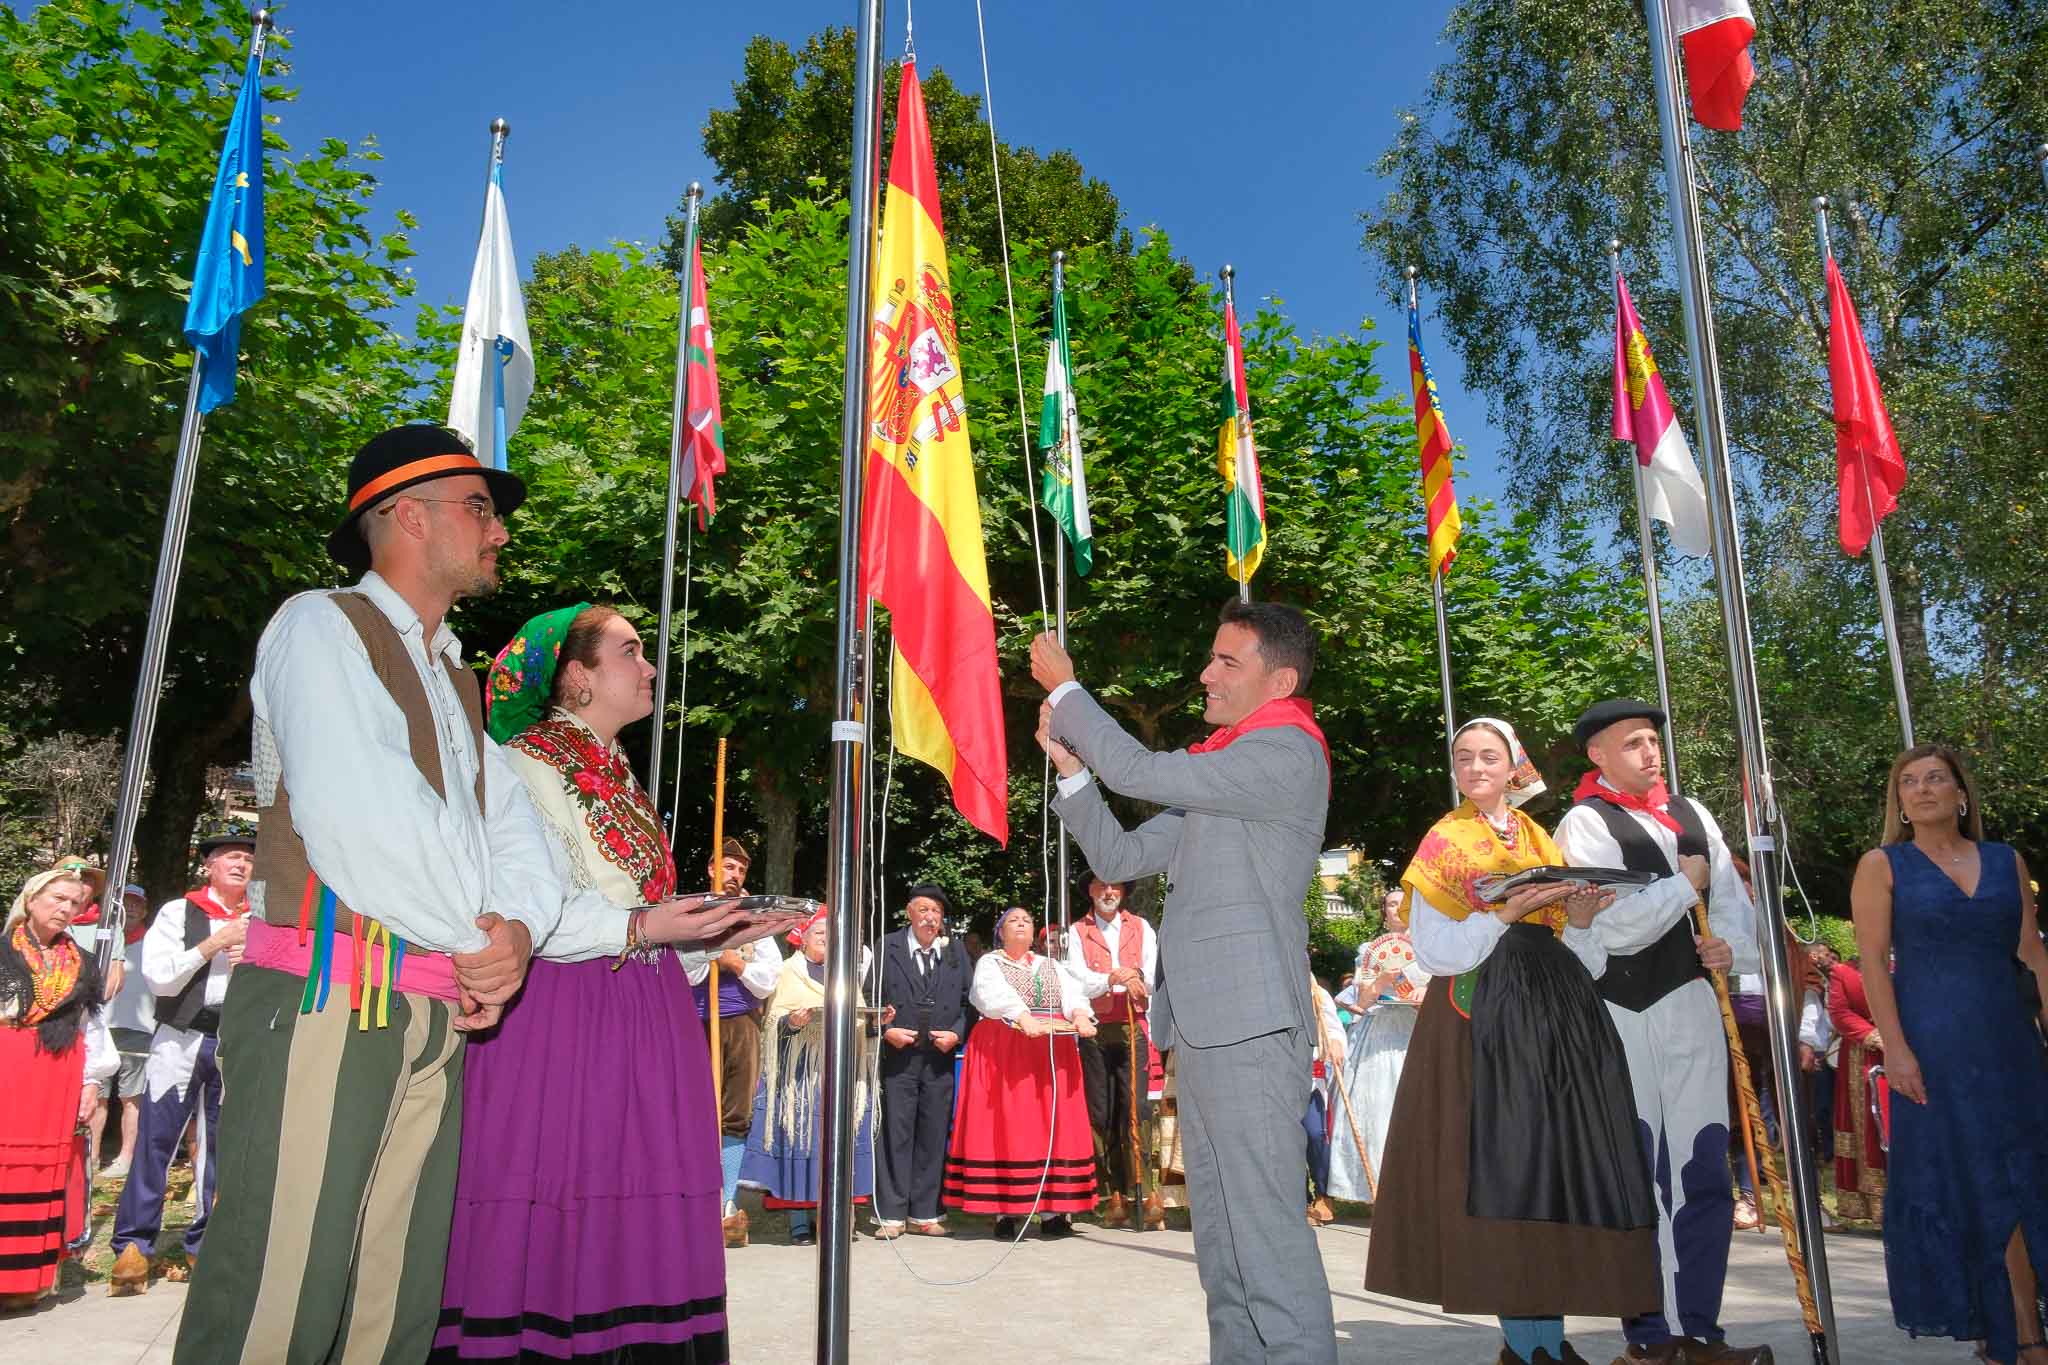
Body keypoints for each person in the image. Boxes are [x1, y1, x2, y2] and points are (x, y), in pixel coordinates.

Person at [176, 427, 769, 1363]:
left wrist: (527, 927)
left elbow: (514, 842)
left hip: (434, 1004)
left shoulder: (451, 677)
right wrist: (489, 939)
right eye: (479, 507)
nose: (498, 532)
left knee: (395, 1302)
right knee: (283, 1294)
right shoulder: (321, 624)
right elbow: (360, 815)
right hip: (336, 992)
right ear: (406, 514)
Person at [436, 603, 788, 1362]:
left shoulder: (615, 772)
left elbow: (642, 917)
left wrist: (709, 936)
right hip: (563, 1017)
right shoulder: (523, 763)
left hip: (641, 1009)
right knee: (569, 1185)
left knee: (637, 1194)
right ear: (577, 677)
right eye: (631, 651)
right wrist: (646, 928)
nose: (650, 665)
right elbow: (522, 912)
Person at [1031, 599, 1336, 1364]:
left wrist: (1070, 693)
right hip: (1204, 1028)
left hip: (1251, 1029)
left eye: (1228, 662)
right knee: (1226, 1253)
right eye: (1211, 656)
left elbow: (1135, 767)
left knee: (1264, 1240)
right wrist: (1071, 772)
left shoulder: (1283, 753)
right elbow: (1123, 855)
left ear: (1282, 678)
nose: (1206, 673)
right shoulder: (1228, 765)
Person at [1366, 717, 1657, 1365]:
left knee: (1553, 1174)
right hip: (1483, 1017)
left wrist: (1579, 918)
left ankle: (1545, 1344)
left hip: (1555, 1018)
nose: (1474, 767)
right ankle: (1529, 1349)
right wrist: (1503, 913)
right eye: (1463, 757)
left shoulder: (1534, 835)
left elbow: (1581, 958)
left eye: (1488, 756)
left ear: (1512, 765)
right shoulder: (1445, 840)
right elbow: (1438, 953)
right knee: (1505, 1172)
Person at [1553, 699, 1767, 1365]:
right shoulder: (1583, 825)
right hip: (1620, 1011)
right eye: (1633, 742)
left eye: (1653, 740)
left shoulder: (1695, 815)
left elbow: (1734, 905)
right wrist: (1683, 885)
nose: (1650, 752)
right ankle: (1648, 1334)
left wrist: (1730, 947)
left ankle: (1700, 1327)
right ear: (1598, 754)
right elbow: (1612, 930)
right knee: (1638, 1168)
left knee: (1702, 1164)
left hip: (1694, 1006)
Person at [1851, 745, 2048, 1365]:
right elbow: (1874, 968)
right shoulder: (1882, 865)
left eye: (1936, 777)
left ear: (1962, 793)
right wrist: (1899, 1051)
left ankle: (2016, 1330)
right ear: (1900, 804)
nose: (1923, 789)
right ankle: (2019, 1335)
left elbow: (2033, 955)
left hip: (2010, 1044)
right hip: (1933, 1050)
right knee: (1971, 1186)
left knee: (2025, 1179)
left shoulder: (2005, 860)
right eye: (1908, 782)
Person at [108, 834, 253, 1294]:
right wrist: (215, 944)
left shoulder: (262, 918)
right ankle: (133, 1246)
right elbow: (160, 979)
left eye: (250, 859)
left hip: (234, 1039)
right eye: (233, 857)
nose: (242, 864)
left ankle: (203, 1244)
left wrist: (251, 958)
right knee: (156, 1141)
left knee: (219, 1148)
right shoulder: (178, 912)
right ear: (209, 865)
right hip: (180, 1038)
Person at [0, 867, 116, 1312]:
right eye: (58, 899)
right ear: (31, 900)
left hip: (55, 1074)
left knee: (43, 1170)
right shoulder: (2, 952)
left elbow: (93, 1027)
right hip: (8, 1066)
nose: (66, 908)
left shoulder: (83, 964)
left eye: (74, 903)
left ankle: (28, 1279)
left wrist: (92, 1081)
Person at [945, 905, 1098, 1239]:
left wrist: (1081, 1015)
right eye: (1012, 920)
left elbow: (1073, 994)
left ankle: (1055, 1209)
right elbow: (987, 995)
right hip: (1006, 1046)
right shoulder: (990, 962)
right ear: (1000, 931)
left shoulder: (1050, 965)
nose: (1020, 925)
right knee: (1009, 1123)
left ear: (1033, 933)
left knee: (1051, 1123)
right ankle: (1005, 1210)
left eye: (1027, 921)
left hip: (1049, 1047)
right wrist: (1020, 1014)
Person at [740, 910, 878, 1244]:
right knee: (799, 1142)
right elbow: (772, 1023)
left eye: (831, 935)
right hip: (798, 1076)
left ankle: (833, 1219)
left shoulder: (844, 975)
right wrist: (794, 1024)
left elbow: (859, 1022)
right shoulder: (788, 972)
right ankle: (799, 1221)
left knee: (834, 1147)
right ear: (802, 938)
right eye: (819, 934)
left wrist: (875, 1022)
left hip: (837, 1073)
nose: (826, 940)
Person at [686, 836, 779, 1248]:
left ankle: (726, 1203)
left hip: (739, 1023)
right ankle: (690, 1201)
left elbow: (767, 979)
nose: (734, 874)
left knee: (735, 1113)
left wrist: (735, 961)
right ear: (710, 869)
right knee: (691, 1110)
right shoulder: (691, 913)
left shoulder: (755, 921)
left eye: (740, 870)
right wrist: (709, 952)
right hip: (693, 1022)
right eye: (727, 867)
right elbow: (680, 965)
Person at [1063, 872, 1161, 1230]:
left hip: (1133, 1025)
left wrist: (1135, 977)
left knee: (1134, 1107)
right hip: (1094, 1027)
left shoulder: (1141, 927)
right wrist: (1111, 979)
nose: (1108, 892)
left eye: (1114, 886)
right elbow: (1073, 978)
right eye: (1101, 886)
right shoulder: (1077, 931)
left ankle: (1143, 1191)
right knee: (1100, 1111)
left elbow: (1151, 975)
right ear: (1090, 891)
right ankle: (1110, 1196)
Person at [874, 884, 972, 1238]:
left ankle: (926, 1212)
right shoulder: (887, 947)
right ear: (909, 912)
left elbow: (968, 1002)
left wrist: (958, 1034)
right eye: (924, 910)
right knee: (896, 1133)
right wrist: (885, 1031)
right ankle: (891, 1215)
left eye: (937, 913)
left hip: (939, 1057)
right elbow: (868, 996)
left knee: (932, 1134)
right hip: (899, 1055)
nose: (931, 918)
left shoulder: (956, 952)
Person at [1328, 900, 1430, 1205]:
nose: (1396, 908)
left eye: (1402, 903)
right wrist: (1382, 982)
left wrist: (1423, 994)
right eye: (1390, 904)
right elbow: (1362, 1002)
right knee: (1379, 1105)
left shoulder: (1430, 947)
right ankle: (1379, 1188)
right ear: (1383, 913)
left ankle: (1419, 1187)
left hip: (1417, 1028)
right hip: (1381, 1033)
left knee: (1417, 1105)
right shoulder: (1369, 950)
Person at [98, 885, 155, 1183]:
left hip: (140, 1029)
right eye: (126, 904)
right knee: (97, 1096)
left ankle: (126, 1157)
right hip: (100, 1028)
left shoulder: (155, 942)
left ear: (145, 910)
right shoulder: (103, 940)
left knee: (132, 1098)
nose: (131, 909)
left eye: (137, 904)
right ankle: (91, 1157)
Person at [1825, 952, 1885, 1224]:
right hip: (1862, 1057)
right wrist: (1873, 1036)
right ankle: (1875, 1205)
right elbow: (1839, 1012)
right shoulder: (1843, 973)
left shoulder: (1909, 963)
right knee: (1869, 1126)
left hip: (1911, 1050)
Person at [1303, 971, 1345, 1226]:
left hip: (1310, 1076)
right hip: (1276, 1076)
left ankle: (1323, 1194)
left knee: (1315, 1133)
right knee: (1287, 1139)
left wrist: (1337, 1043)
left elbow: (1333, 1028)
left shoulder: (1317, 993)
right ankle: (1299, 1199)